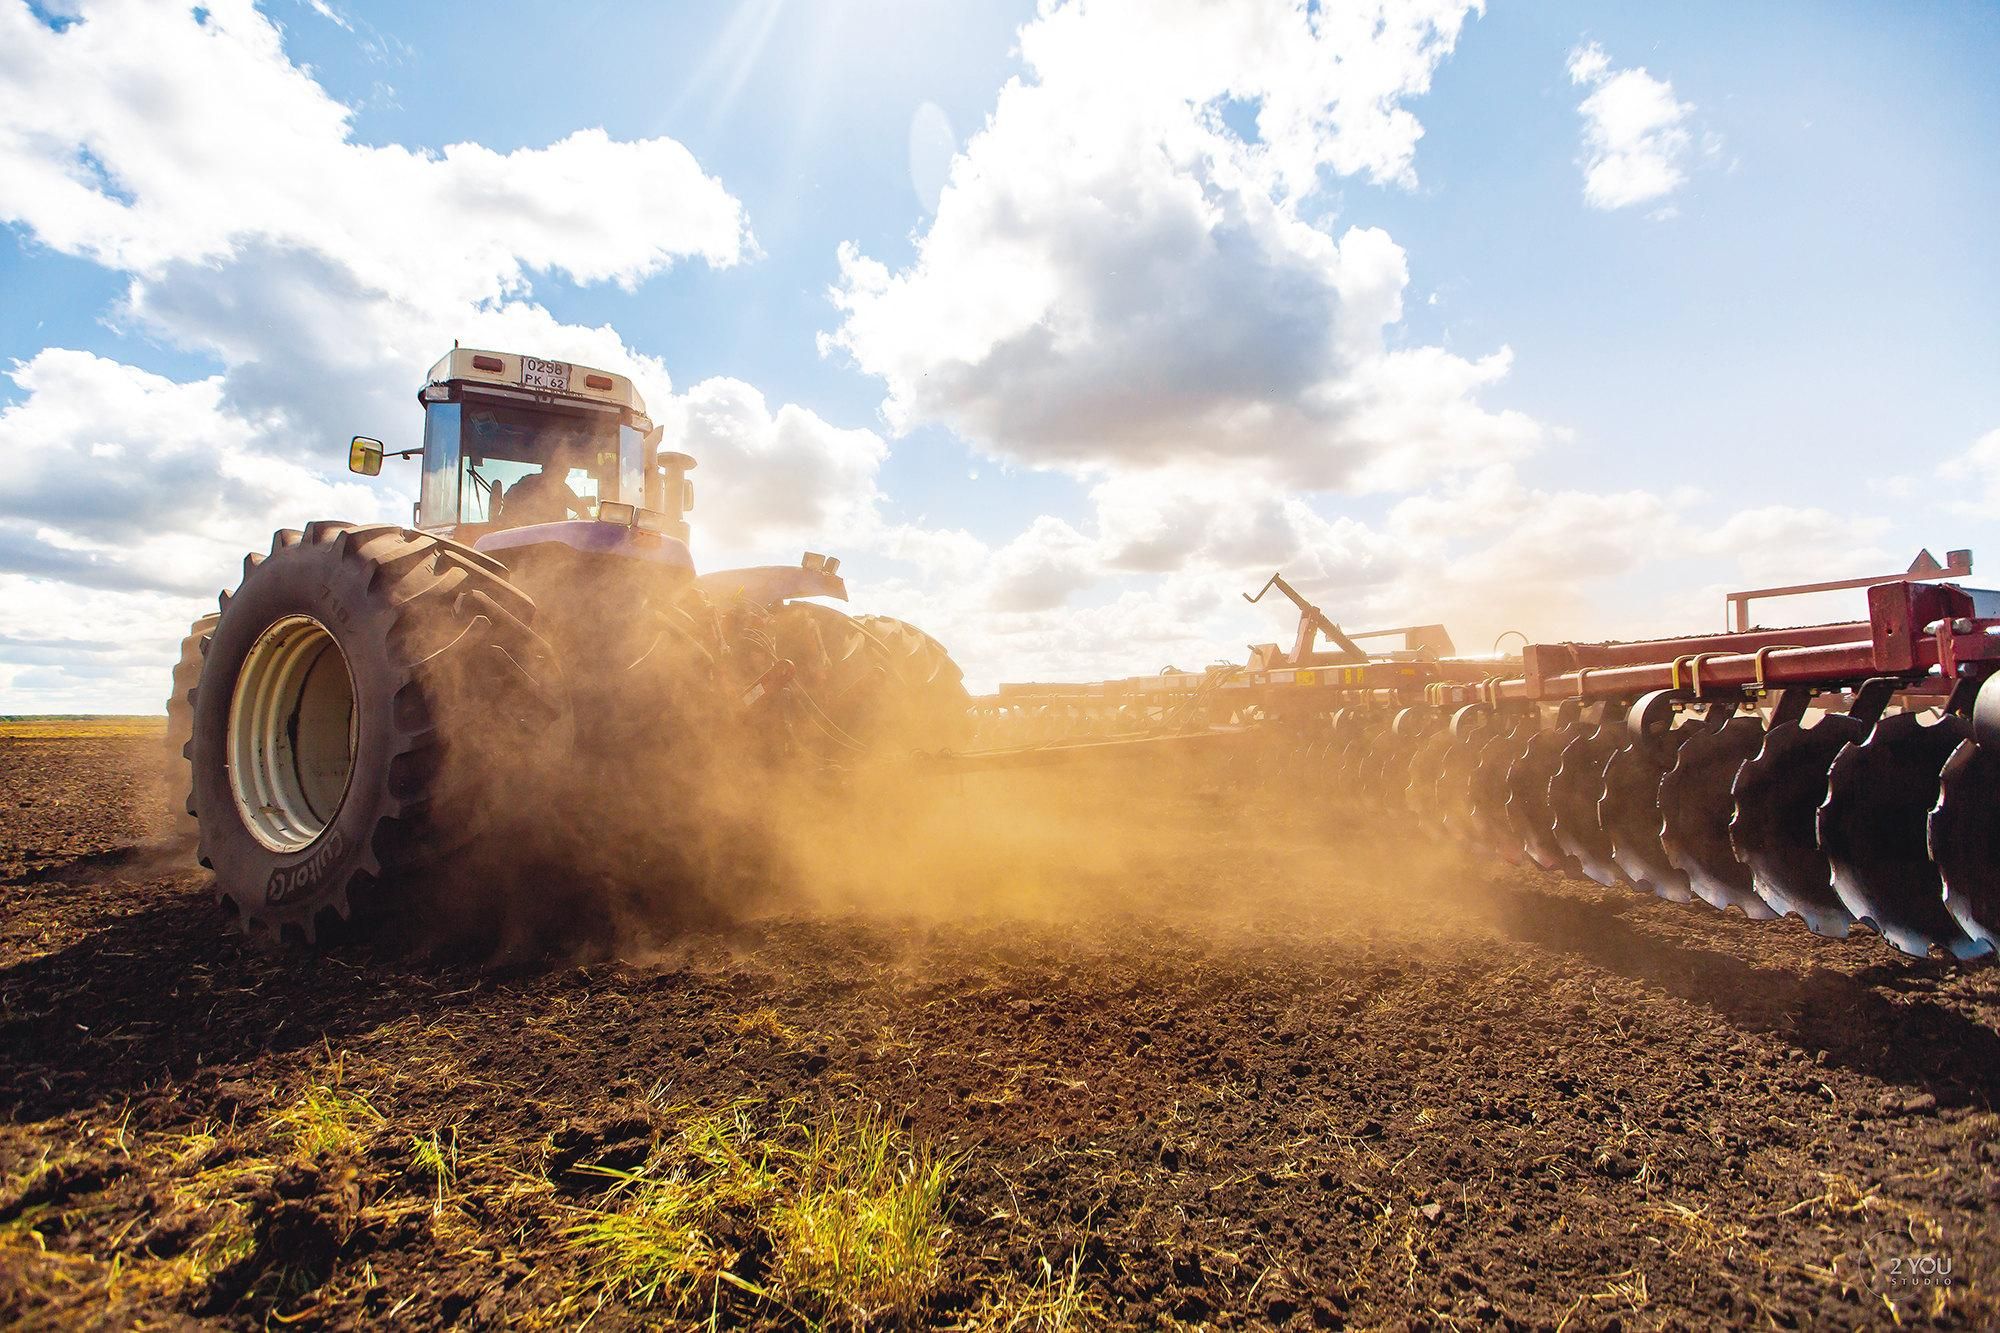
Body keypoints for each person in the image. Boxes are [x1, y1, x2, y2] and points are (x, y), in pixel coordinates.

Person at [496, 443, 592, 528]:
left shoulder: (563, 489)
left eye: (566, 473)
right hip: (527, 542)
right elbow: (508, 507)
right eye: (562, 471)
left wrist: (588, 530)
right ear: (549, 468)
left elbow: (581, 509)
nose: (564, 475)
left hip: (557, 542)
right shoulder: (526, 484)